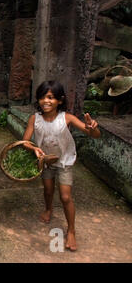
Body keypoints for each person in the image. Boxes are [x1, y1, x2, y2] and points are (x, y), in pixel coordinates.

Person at [22, 81, 101, 251]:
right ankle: (49, 209)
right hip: (46, 161)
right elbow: (25, 141)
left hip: (64, 161)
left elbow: (94, 135)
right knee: (48, 189)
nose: (46, 101)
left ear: (59, 100)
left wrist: (92, 127)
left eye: (50, 97)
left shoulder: (67, 118)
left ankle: (71, 231)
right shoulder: (34, 119)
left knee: (65, 197)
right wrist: (34, 148)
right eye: (42, 97)